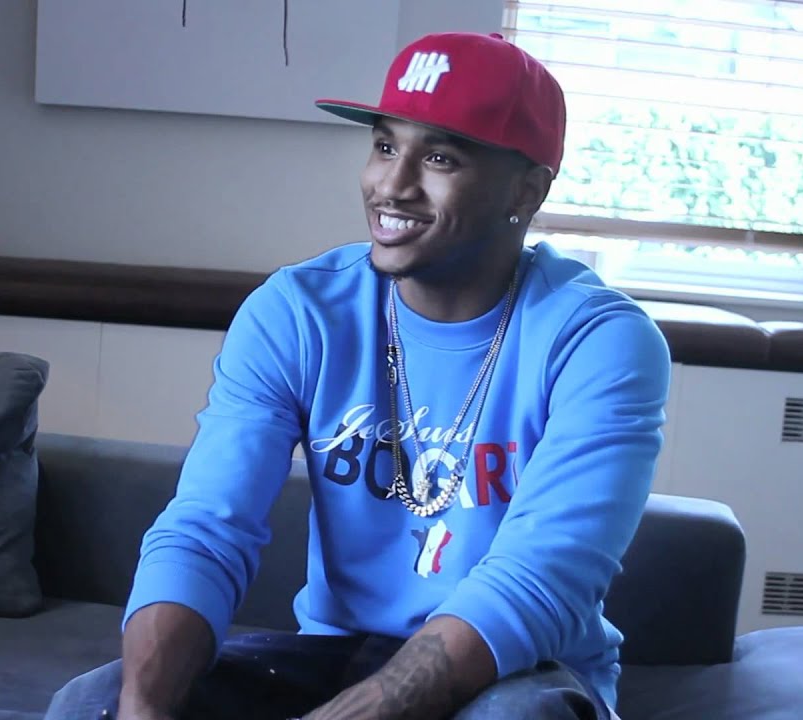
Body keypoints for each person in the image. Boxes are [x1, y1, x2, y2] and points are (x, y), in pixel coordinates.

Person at [45, 30, 670, 720]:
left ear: (526, 189)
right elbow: (207, 527)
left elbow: (538, 582)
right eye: (384, 146)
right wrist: (144, 709)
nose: (391, 186)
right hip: (335, 655)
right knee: (93, 704)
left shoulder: (597, 340)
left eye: (439, 157)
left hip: (514, 671)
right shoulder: (299, 311)